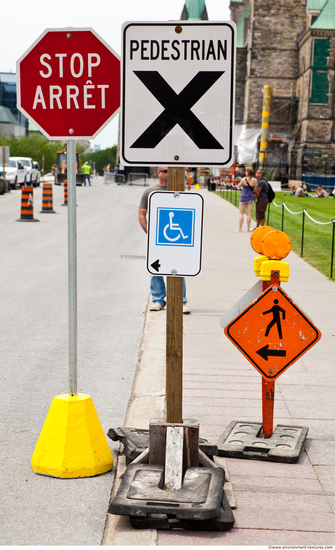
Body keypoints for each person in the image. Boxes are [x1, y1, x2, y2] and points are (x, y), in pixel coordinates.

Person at [139, 167, 190, 314]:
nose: (169, 172)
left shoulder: (178, 190)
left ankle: (180, 301)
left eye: (170, 170)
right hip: (156, 239)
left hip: (176, 239)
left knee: (178, 268)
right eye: (165, 170)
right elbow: (142, 214)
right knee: (156, 269)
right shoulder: (150, 191)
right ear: (159, 173)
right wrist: (149, 233)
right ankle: (158, 300)